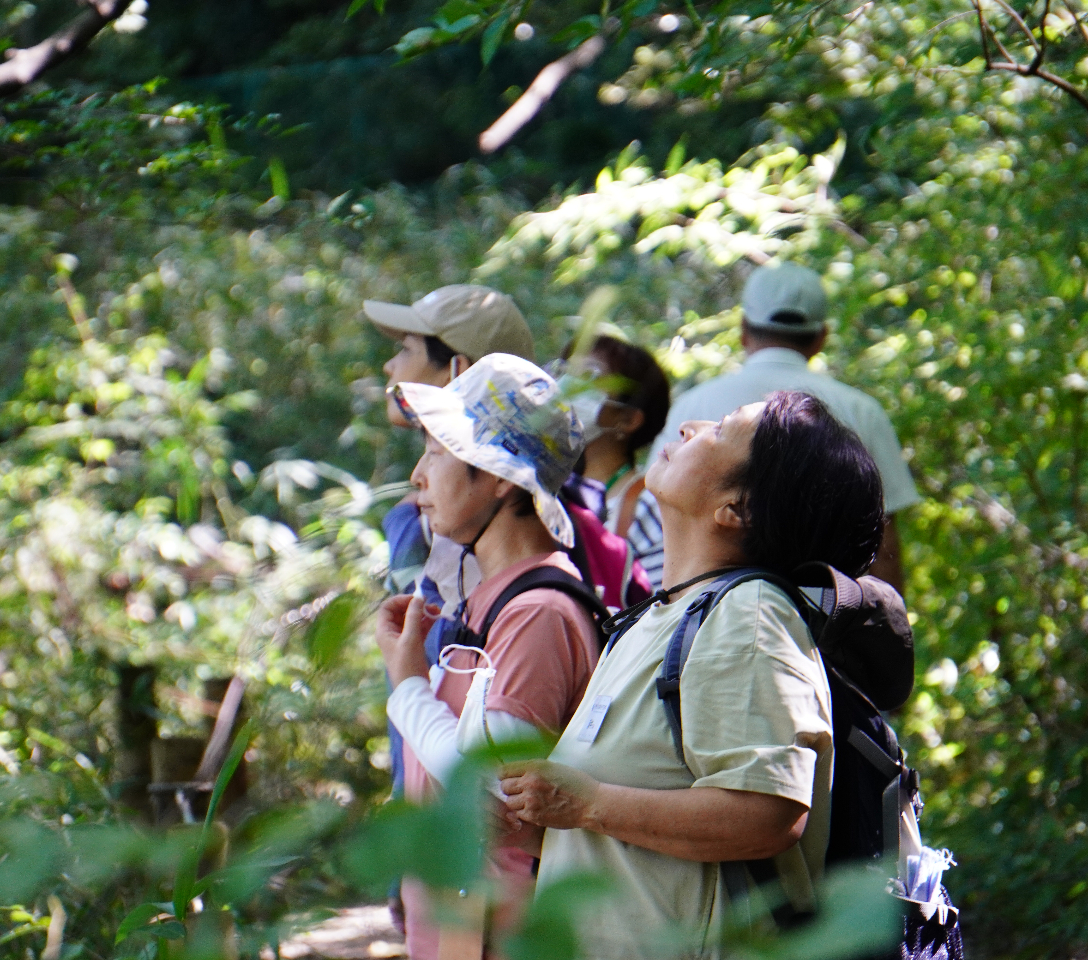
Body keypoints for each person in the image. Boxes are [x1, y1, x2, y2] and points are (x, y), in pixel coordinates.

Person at [499, 391, 886, 957]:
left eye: (720, 429)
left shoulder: (748, 617)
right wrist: (534, 818)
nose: (689, 427)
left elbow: (767, 816)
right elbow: (629, 832)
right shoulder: (659, 618)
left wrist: (586, 804)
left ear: (738, 507)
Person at [376, 353, 602, 960]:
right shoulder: (490, 597)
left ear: (501, 477)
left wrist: (408, 686)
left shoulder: (538, 614)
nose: (418, 477)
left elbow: (487, 791)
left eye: (437, 451)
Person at [363, 283, 536, 934]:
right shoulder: (482, 511)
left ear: (458, 368)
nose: (390, 366)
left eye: (407, 348)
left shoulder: (458, 528)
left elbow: (441, 695)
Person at [638, 262, 918, 592]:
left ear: (743, 330)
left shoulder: (692, 404)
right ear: (821, 338)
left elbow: (650, 517)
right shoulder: (862, 412)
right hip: (823, 612)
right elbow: (883, 547)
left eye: (719, 428)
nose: (691, 430)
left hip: (691, 598)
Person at [559, 332, 671, 588]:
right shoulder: (545, 486)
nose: (566, 387)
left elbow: (657, 601)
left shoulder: (648, 505)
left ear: (628, 419)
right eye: (565, 371)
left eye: (589, 377)